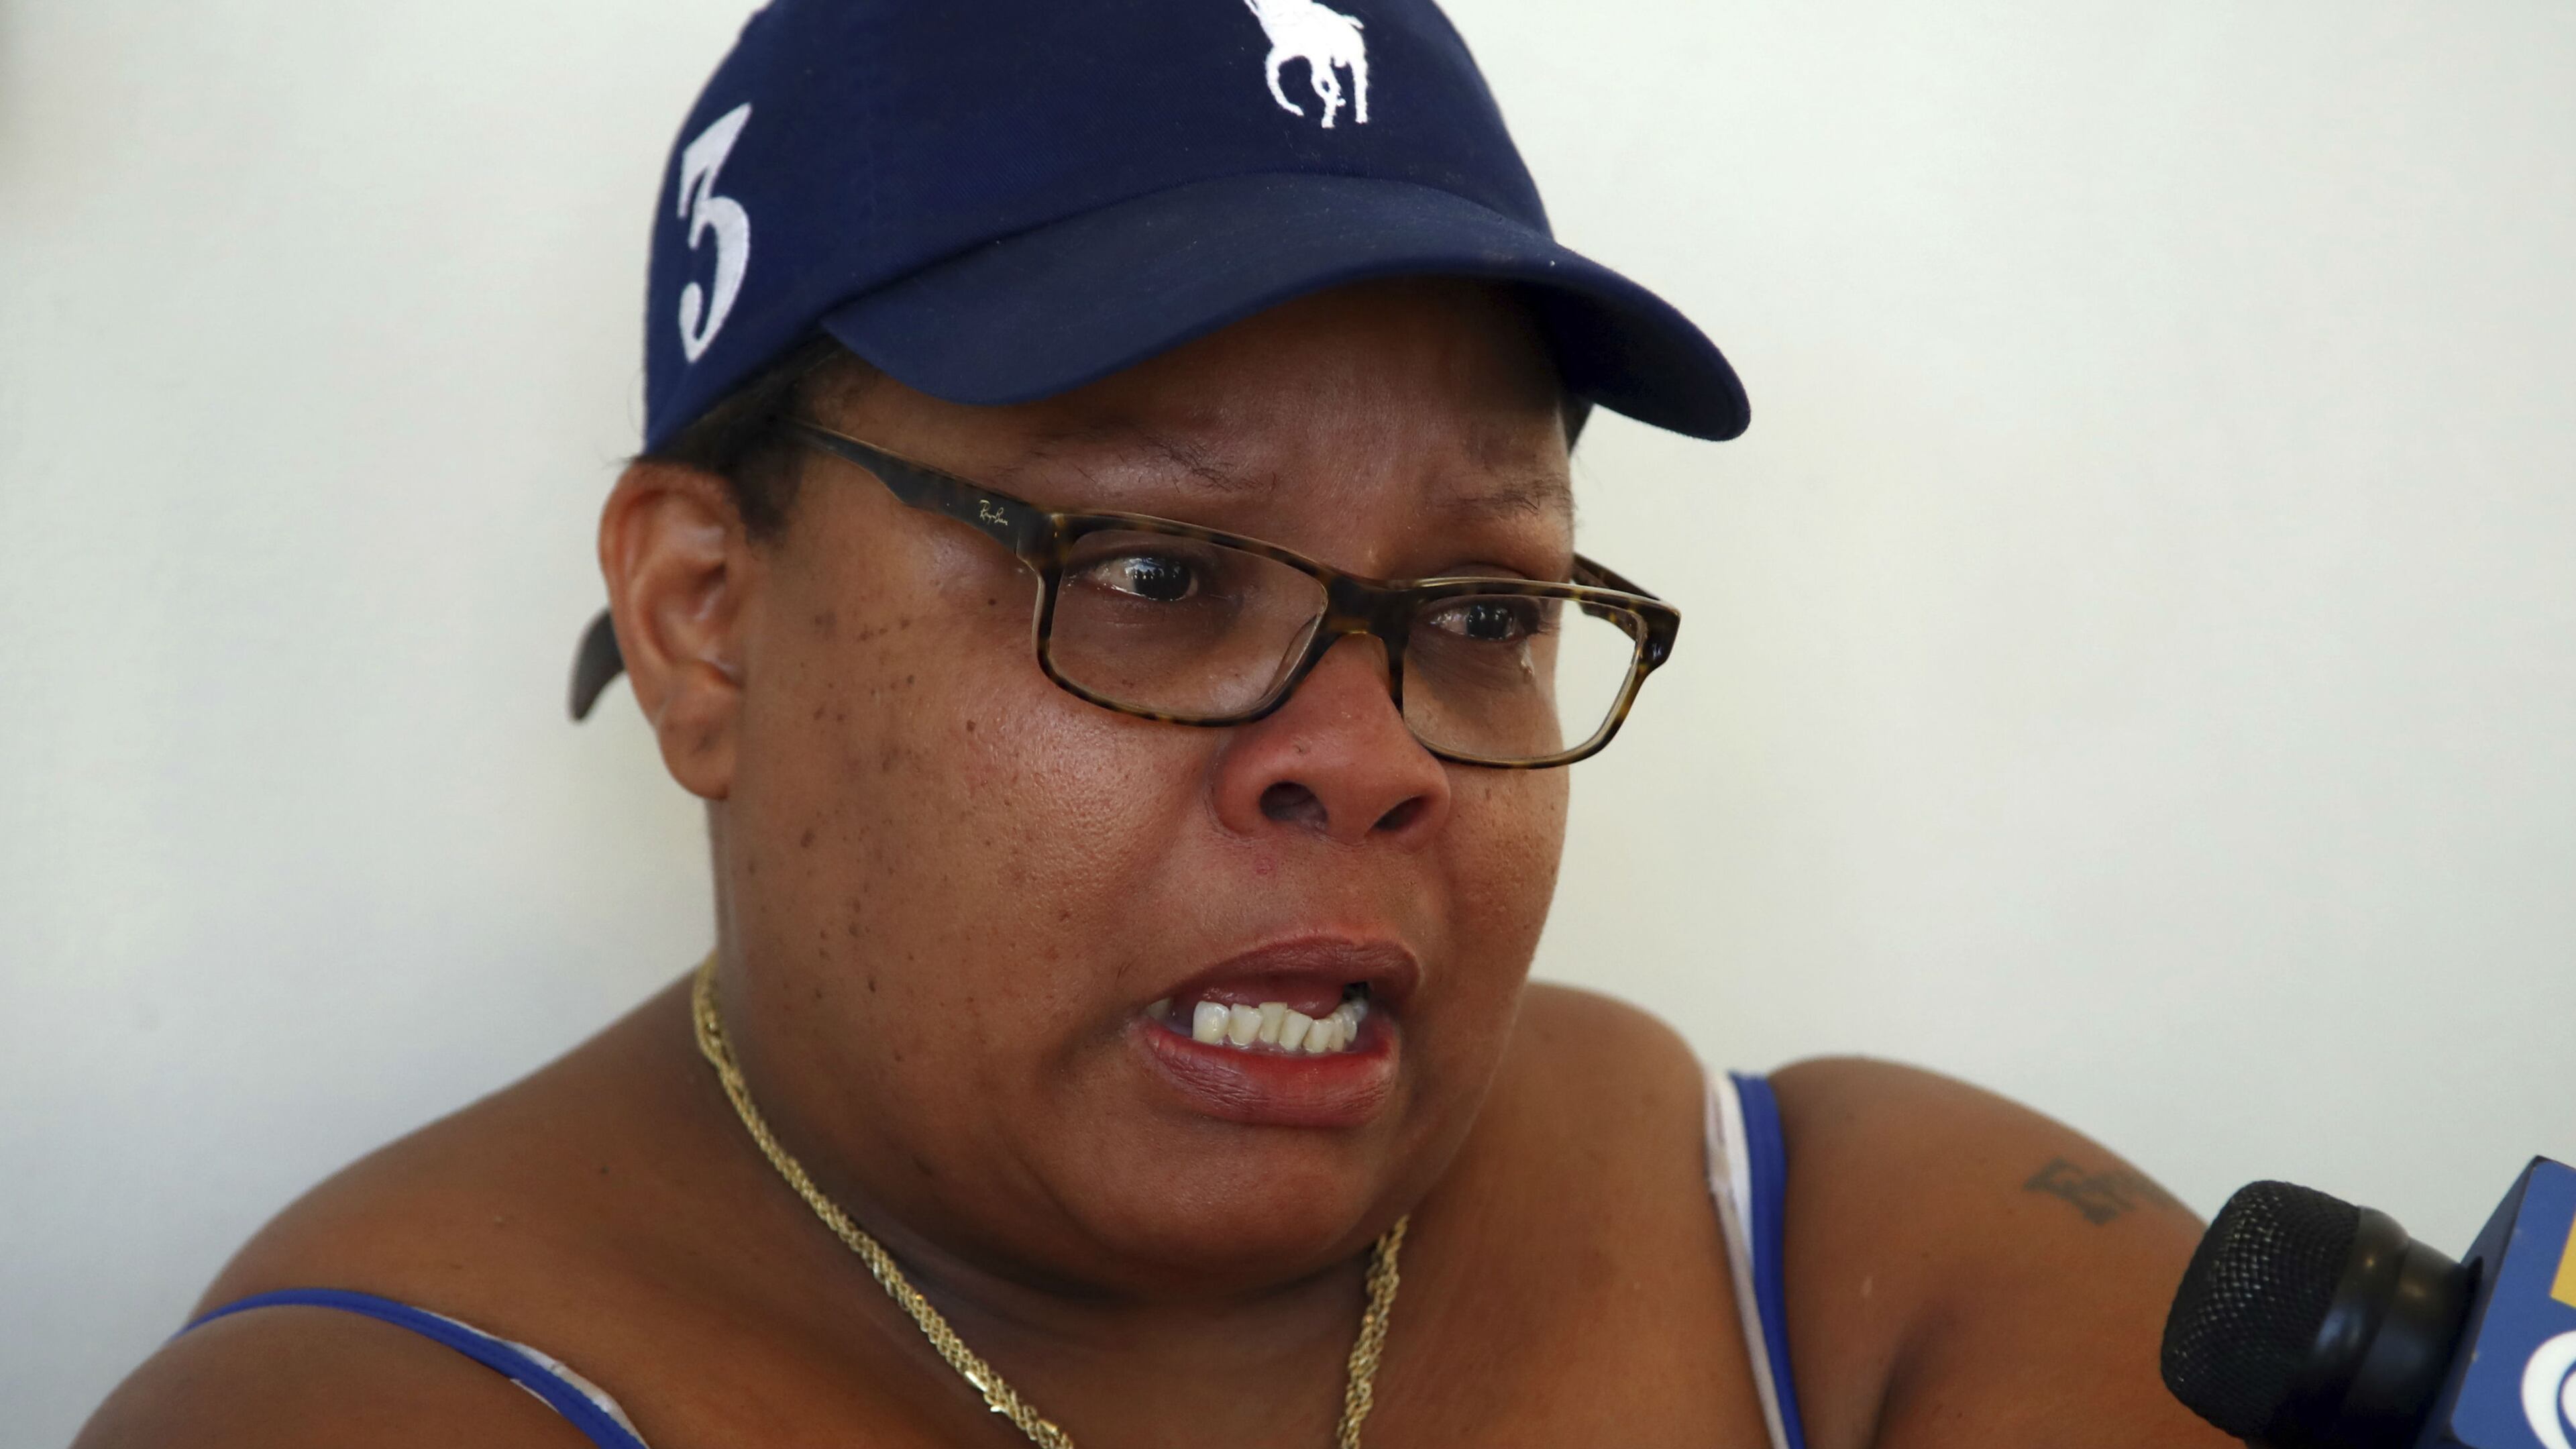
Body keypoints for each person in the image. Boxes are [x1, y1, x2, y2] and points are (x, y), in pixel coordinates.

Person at [77, 2, 2235, 1445]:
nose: (1373, 755)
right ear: (707, 624)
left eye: (1480, 607)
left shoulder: (1862, 1269)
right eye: (1151, 575)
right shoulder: (385, 1408)